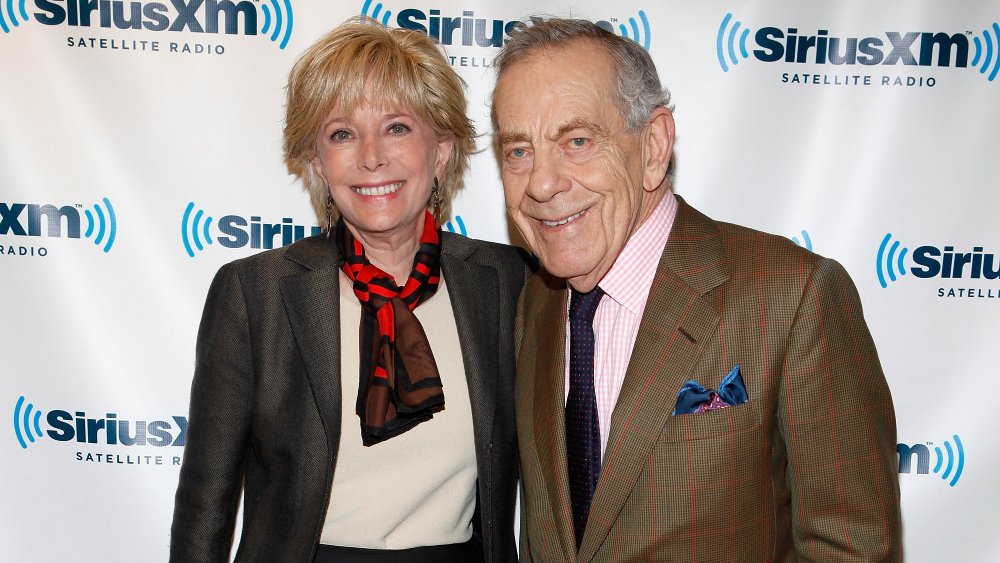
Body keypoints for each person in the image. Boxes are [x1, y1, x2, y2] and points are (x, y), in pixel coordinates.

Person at [491, 17, 901, 562]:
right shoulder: (535, 304)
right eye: (518, 151)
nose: (541, 182)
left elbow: (853, 547)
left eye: (578, 140)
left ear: (654, 145)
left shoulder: (794, 295)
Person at [170, 20, 527, 563]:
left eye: (398, 128)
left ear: (442, 152)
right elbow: (206, 503)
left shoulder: (504, 281)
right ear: (317, 162)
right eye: (342, 134)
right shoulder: (256, 294)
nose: (371, 157)